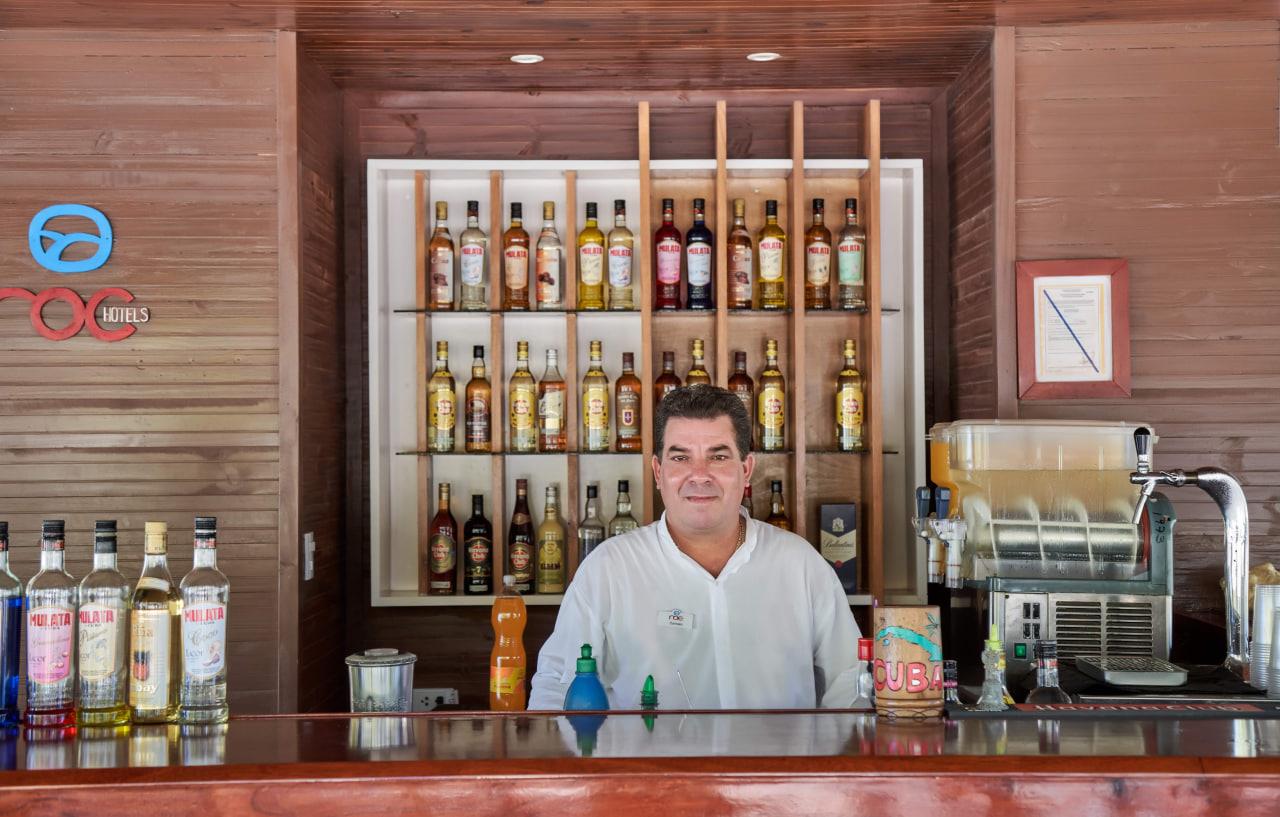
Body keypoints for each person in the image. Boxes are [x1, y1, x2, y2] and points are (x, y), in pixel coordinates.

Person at [528, 385, 864, 710]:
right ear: (658, 471)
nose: (699, 475)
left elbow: (850, 682)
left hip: (782, 753)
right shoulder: (609, 568)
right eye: (680, 457)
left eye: (718, 456)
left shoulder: (800, 564)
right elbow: (556, 688)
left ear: (746, 469)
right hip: (649, 754)